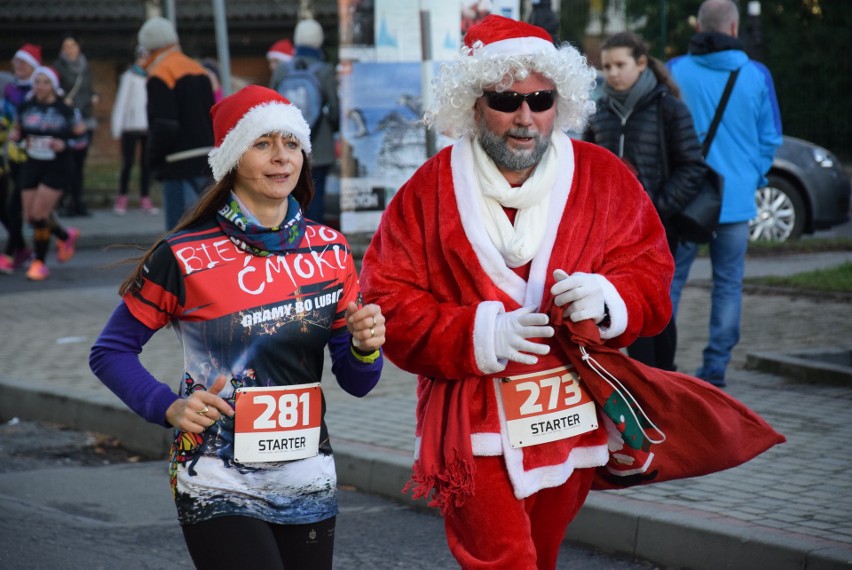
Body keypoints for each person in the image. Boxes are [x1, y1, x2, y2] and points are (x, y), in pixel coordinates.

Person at [359, 15, 673, 569]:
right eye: (506, 100)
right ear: (475, 104)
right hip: (472, 419)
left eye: (541, 99)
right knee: (504, 560)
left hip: (569, 415)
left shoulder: (603, 176)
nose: (525, 118)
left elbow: (650, 272)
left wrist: (610, 298)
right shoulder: (427, 191)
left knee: (542, 555)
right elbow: (387, 300)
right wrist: (478, 332)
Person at [89, 85, 386, 569]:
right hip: (216, 476)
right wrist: (167, 406)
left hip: (306, 474)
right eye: (262, 143)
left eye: (290, 143)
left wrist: (367, 347)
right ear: (232, 157)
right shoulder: (184, 254)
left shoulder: (330, 251)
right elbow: (110, 352)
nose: (280, 157)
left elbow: (356, 381)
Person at [667, 0, 782, 387]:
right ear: (734, 29)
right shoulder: (756, 74)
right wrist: (751, 176)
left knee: (672, 279)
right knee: (729, 282)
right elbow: (770, 139)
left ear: (699, 27)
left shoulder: (677, 71)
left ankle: (660, 363)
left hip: (685, 199)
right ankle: (716, 366)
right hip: (734, 200)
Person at [584, 31, 706, 371]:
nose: (612, 73)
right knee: (626, 300)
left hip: (659, 227)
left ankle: (661, 377)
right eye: (606, 66)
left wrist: (658, 207)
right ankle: (643, 378)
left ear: (640, 63)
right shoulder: (600, 111)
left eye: (620, 64)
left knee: (655, 303)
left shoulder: (668, 107)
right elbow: (587, 166)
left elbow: (692, 168)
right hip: (612, 231)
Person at [136, 16, 216, 231]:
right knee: (207, 228)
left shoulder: (160, 74)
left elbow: (164, 125)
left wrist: (152, 160)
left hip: (177, 163)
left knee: (180, 235)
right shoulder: (199, 70)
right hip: (207, 160)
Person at [8, 66, 84, 281]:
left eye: (45, 82)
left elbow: (82, 139)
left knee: (40, 214)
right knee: (30, 216)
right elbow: (19, 134)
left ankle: (39, 262)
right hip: (32, 163)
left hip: (58, 166)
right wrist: (17, 138)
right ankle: (64, 235)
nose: (40, 86)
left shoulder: (66, 110)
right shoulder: (25, 107)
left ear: (53, 86)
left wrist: (65, 143)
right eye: (37, 81)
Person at [269, 19, 339, 224]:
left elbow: (272, 105)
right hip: (320, 149)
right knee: (315, 198)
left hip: (288, 146)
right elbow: (334, 111)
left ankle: (289, 236)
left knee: (290, 194)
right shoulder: (324, 70)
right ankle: (313, 242)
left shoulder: (282, 69)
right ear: (319, 41)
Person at [0, 43, 40, 275]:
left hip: (34, 158)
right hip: (13, 156)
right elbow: (5, 118)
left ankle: (9, 254)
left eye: (23, 63)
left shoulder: (40, 89)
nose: (18, 67)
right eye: (16, 63)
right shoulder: (11, 90)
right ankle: (24, 249)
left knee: (19, 206)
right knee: (14, 207)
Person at [54, 32, 98, 217]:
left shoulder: (84, 65)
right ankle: (66, 202)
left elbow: (88, 87)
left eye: (72, 46)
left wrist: (94, 95)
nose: (69, 50)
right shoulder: (58, 67)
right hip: (68, 120)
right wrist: (63, 99)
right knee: (67, 164)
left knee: (80, 164)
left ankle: (79, 202)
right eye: (66, 47)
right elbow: (54, 89)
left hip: (85, 118)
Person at [110, 53, 156, 215]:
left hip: (148, 126)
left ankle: (145, 197)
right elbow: (122, 101)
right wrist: (117, 126)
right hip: (130, 126)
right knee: (128, 163)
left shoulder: (153, 76)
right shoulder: (129, 77)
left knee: (146, 164)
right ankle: (122, 197)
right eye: (142, 57)